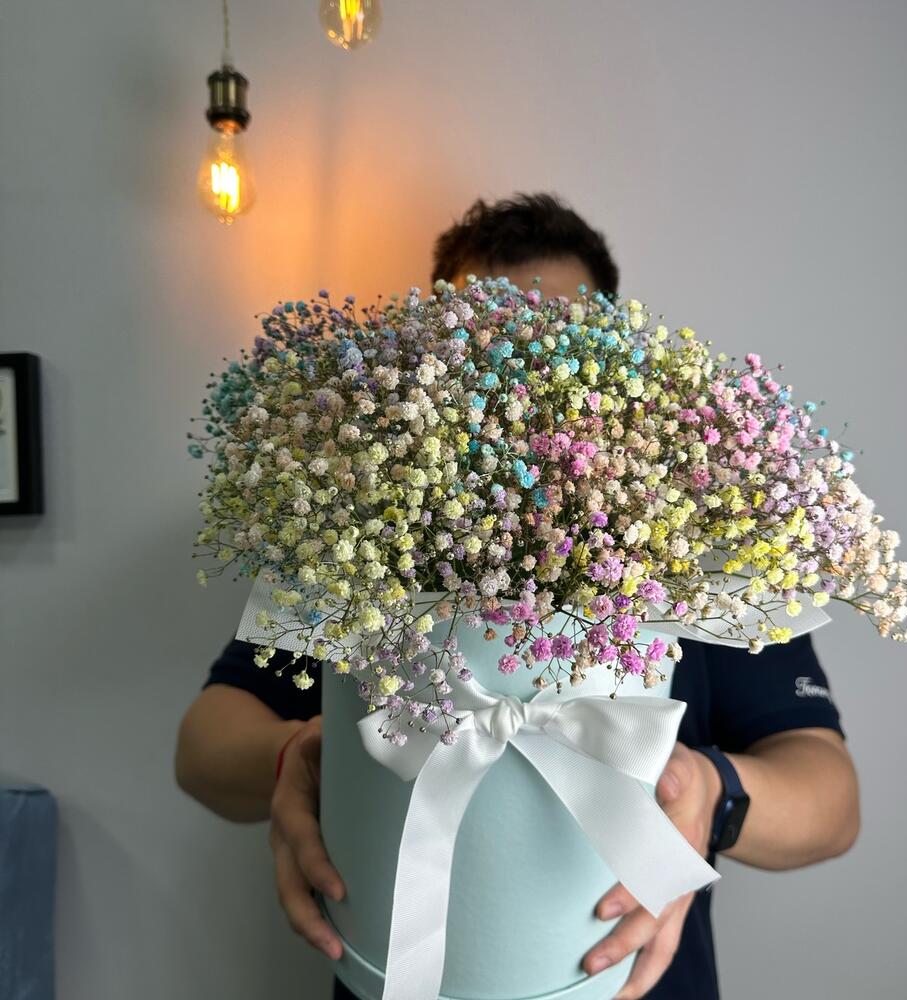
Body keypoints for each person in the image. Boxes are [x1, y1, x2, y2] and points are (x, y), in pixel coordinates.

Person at [174, 192, 860, 1000]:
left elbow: (830, 795)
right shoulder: (358, 533)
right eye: (492, 351)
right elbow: (205, 744)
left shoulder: (700, 547)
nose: (530, 386)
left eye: (565, 348)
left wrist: (713, 790)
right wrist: (299, 756)